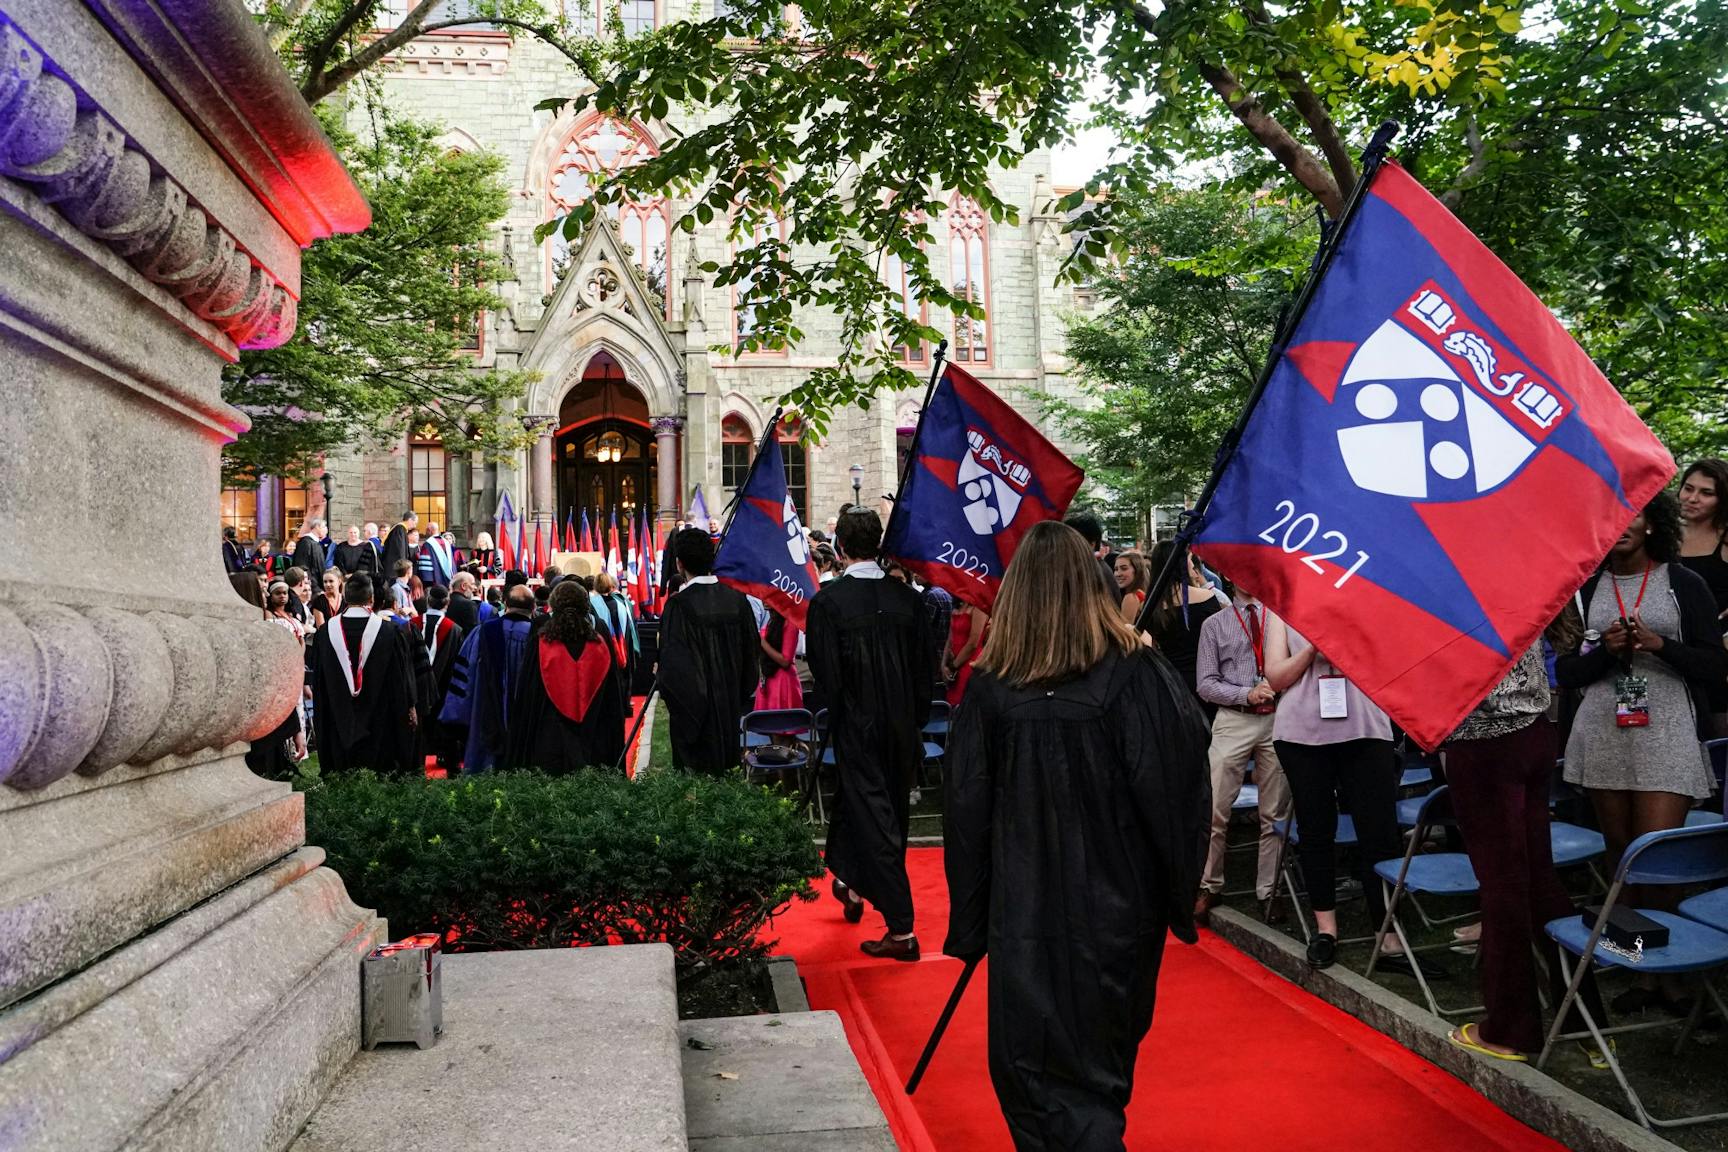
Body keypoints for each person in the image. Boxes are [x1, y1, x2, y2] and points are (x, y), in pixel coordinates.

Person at [944, 520, 1209, 1149]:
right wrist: (1176, 894)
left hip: (1026, 913)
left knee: (1032, 1074)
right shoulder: (1134, 675)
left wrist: (974, 919)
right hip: (1116, 912)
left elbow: (966, 816)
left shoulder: (992, 690)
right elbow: (1177, 793)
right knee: (1098, 1072)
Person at [1557, 493, 1726, 1013]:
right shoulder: (1584, 588)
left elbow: (1714, 665)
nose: (1621, 527)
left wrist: (1659, 645)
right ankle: (1635, 964)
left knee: (1656, 852)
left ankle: (1671, 969)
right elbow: (1564, 674)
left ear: (1653, 524)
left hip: (1667, 728)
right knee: (1619, 851)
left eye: (1632, 515)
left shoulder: (1683, 583)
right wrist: (1606, 653)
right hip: (1602, 728)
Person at [1444, 641, 1609, 1060]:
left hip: (1484, 739)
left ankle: (1509, 1028)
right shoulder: (1514, 580)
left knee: (1503, 884)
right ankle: (1586, 1022)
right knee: (1538, 878)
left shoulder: (1449, 591)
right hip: (1534, 729)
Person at [807, 508, 934, 959]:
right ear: (877, 545)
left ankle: (902, 932)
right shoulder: (908, 601)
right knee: (876, 811)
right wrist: (913, 719)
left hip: (858, 725)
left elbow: (827, 675)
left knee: (878, 820)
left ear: (840, 546)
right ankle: (850, 882)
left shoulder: (828, 603)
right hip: (901, 727)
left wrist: (845, 718)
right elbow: (924, 673)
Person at [1263, 614, 1415, 973]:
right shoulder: (1282, 608)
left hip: (1365, 729)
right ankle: (1325, 929)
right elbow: (1276, 676)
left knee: (1379, 833)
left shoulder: (1362, 599)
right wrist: (1314, 647)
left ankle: (1388, 933)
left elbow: (1392, 664)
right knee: (1316, 831)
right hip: (1301, 734)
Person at [1193, 580, 1290, 921]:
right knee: (1216, 806)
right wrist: (1244, 695)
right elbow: (1205, 683)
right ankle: (1209, 885)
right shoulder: (1214, 624)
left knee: (1274, 812)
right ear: (1231, 576)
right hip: (1235, 720)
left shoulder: (1281, 618)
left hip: (1278, 719)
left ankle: (1269, 891)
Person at [656, 528, 760, 773]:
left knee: (697, 796)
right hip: (730, 713)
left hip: (695, 722)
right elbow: (751, 656)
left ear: (679, 564)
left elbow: (674, 669)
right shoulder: (737, 600)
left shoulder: (678, 606)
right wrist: (736, 698)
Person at [503, 580, 627, 773]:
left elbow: (528, 697)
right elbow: (613, 699)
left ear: (553, 606)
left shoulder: (541, 642)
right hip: (594, 740)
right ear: (586, 606)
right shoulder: (600, 644)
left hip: (550, 740)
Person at [308, 575, 418, 775]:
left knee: (342, 775)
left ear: (345, 597)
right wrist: (410, 706)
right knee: (380, 773)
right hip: (381, 723)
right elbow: (401, 680)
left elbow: (320, 683)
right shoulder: (390, 632)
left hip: (337, 721)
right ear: (372, 599)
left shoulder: (324, 634)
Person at [440, 583, 538, 774]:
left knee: (483, 774)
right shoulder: (540, 637)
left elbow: (464, 679)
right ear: (533, 608)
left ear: (505, 603)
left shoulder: (482, 632)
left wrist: (456, 718)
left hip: (484, 719)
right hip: (528, 722)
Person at [1144, 540, 1226, 705]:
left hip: (1171, 683)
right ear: (1180, 563)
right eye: (1189, 559)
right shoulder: (1206, 597)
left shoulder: (1151, 606)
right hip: (1207, 678)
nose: (1192, 564)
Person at [419, 584, 466, 767]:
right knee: (445, 729)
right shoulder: (455, 630)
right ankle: (448, 763)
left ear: (428, 601)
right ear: (447, 603)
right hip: (444, 689)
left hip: (418, 689)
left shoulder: (411, 625)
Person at [591, 571, 640, 702]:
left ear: (595, 586)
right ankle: (625, 703)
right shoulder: (621, 604)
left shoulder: (591, 604)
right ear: (610, 585)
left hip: (601, 646)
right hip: (620, 644)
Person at [1064, 509, 1119, 602]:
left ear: (1092, 544)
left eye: (1072, 541)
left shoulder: (1093, 573)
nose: (1065, 546)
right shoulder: (1091, 568)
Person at [755, 607, 803, 711]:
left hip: (782, 682)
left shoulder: (789, 623)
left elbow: (785, 661)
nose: (764, 600)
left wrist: (762, 642)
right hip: (767, 678)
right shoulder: (770, 622)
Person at [1114, 549, 1152, 624]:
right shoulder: (1142, 593)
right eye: (1116, 569)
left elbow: (1124, 633)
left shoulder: (1131, 597)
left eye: (1124, 568)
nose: (1118, 574)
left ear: (1137, 570)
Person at [416, 522, 457, 588]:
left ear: (430, 530)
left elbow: (426, 567)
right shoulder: (446, 542)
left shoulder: (428, 544)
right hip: (449, 580)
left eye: (426, 530)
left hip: (434, 582)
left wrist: (426, 582)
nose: (425, 532)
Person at [380, 511, 417, 579]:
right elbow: (400, 550)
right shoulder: (400, 529)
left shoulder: (401, 529)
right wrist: (403, 568)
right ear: (410, 520)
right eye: (415, 522)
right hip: (394, 570)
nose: (415, 525)